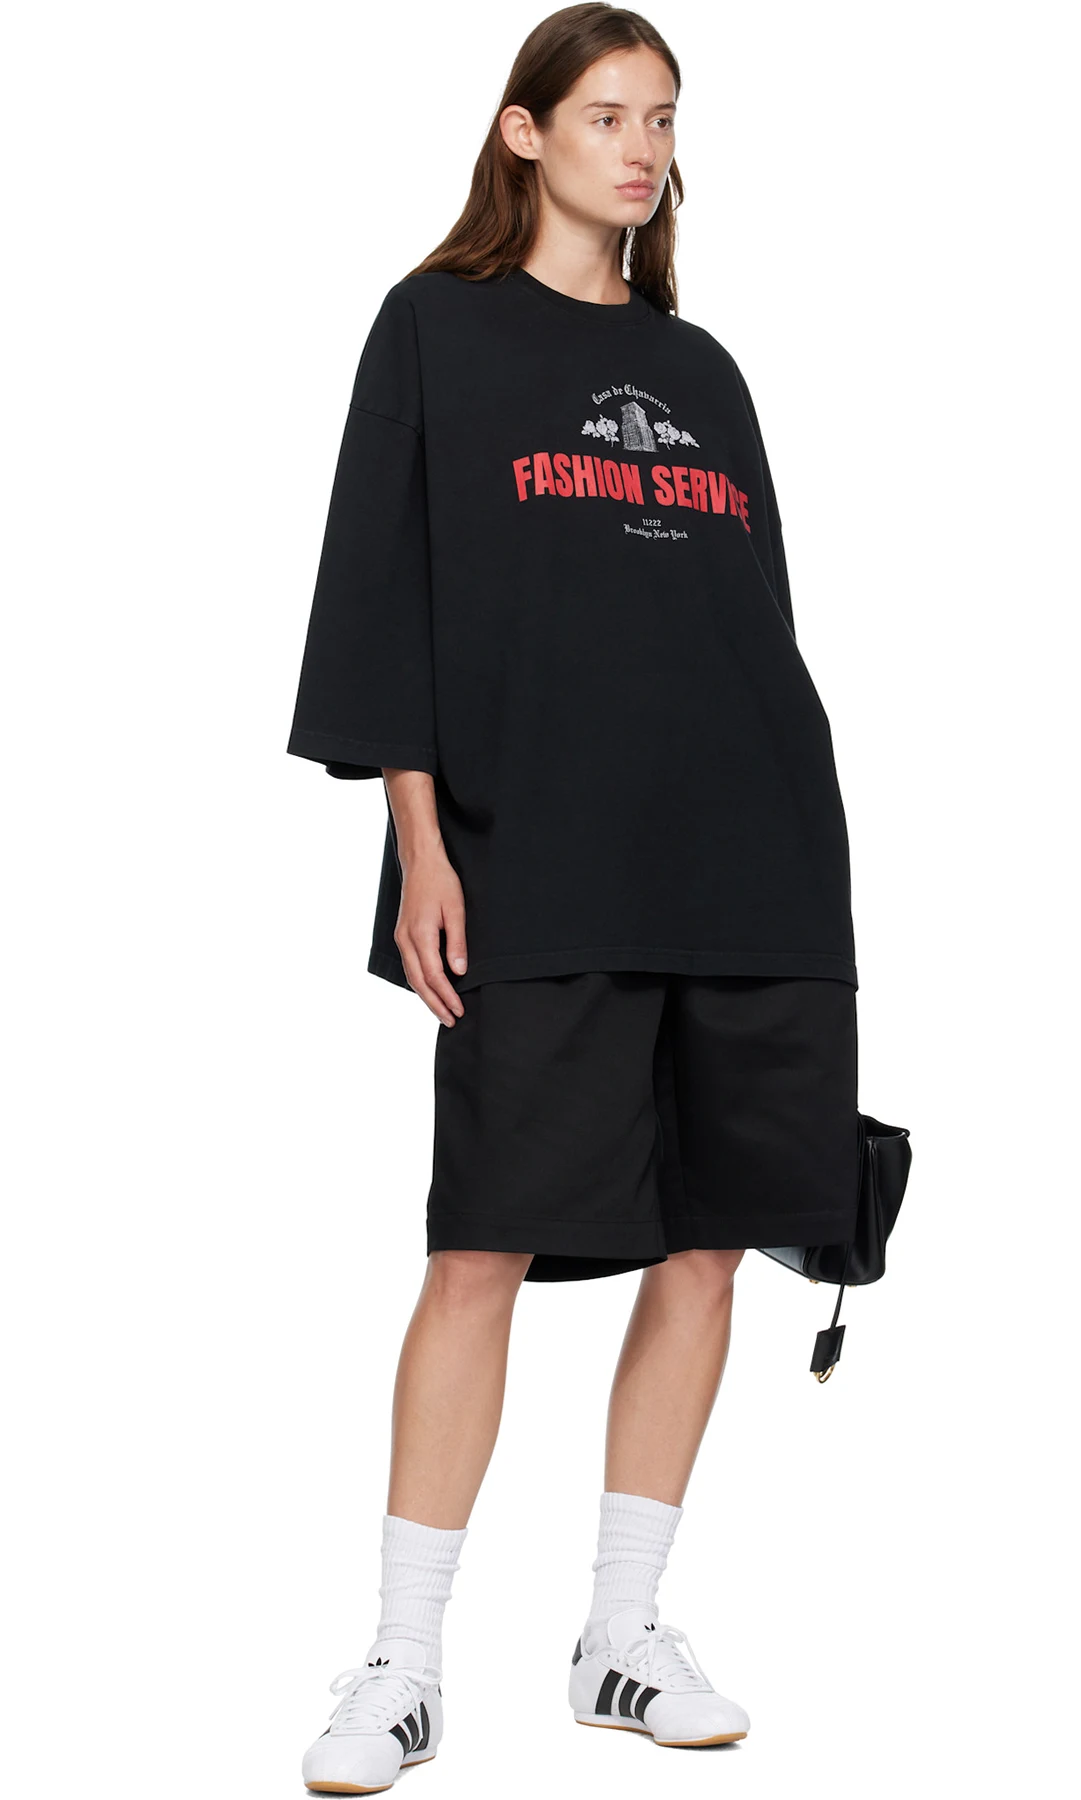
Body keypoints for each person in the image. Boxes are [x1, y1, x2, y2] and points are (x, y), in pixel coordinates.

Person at [288, 5, 860, 1789]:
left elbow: (751, 624)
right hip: (535, 849)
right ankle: (399, 1660)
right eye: (606, 114)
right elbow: (382, 592)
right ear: (524, 132)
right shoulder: (435, 329)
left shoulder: (703, 370)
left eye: (662, 119)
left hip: (752, 854)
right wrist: (422, 844)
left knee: (711, 1243)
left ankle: (623, 1634)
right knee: (482, 1245)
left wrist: (803, 855)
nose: (641, 148)